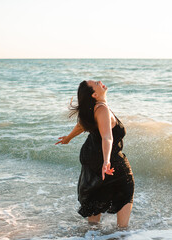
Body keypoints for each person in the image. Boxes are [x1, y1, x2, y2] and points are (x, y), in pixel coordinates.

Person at [55, 80, 134, 228]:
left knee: (95, 195)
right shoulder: (102, 109)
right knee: (126, 190)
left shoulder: (92, 108)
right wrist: (106, 161)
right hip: (106, 158)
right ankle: (122, 233)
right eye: (97, 83)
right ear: (95, 94)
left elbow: (81, 125)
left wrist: (68, 138)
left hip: (91, 157)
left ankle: (92, 233)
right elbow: (107, 137)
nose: (101, 82)